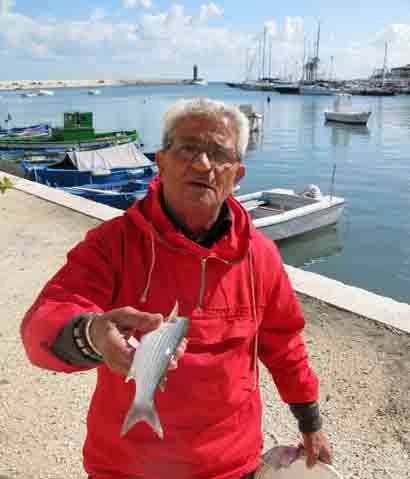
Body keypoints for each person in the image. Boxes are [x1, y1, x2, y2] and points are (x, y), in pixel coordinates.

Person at [21, 98, 332, 479]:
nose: (203, 165)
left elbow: (284, 345)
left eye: (219, 154)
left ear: (237, 174)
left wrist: (311, 422)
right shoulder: (112, 244)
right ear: (161, 161)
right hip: (127, 467)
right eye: (187, 149)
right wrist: (91, 334)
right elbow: (42, 327)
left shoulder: (261, 256)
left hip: (232, 465)